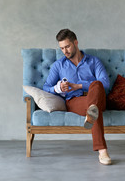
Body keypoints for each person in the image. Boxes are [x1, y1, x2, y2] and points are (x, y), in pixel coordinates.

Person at [43, 29, 112, 165]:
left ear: (76, 42)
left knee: (97, 85)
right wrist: (57, 88)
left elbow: (105, 84)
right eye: (62, 48)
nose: (65, 51)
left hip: (98, 97)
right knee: (94, 109)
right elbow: (46, 87)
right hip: (75, 101)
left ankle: (91, 113)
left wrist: (79, 86)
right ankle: (102, 151)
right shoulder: (58, 65)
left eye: (67, 46)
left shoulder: (94, 61)